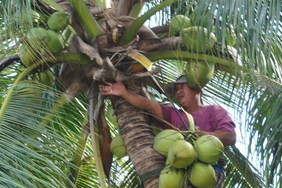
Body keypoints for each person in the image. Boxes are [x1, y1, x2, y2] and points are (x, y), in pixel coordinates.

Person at [99, 75, 236, 188]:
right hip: (178, 173)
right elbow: (148, 105)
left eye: (183, 86)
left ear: (197, 89)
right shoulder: (173, 114)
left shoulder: (213, 110)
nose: (178, 91)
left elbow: (230, 136)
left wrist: (203, 135)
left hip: (208, 171)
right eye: (176, 89)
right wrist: (124, 92)